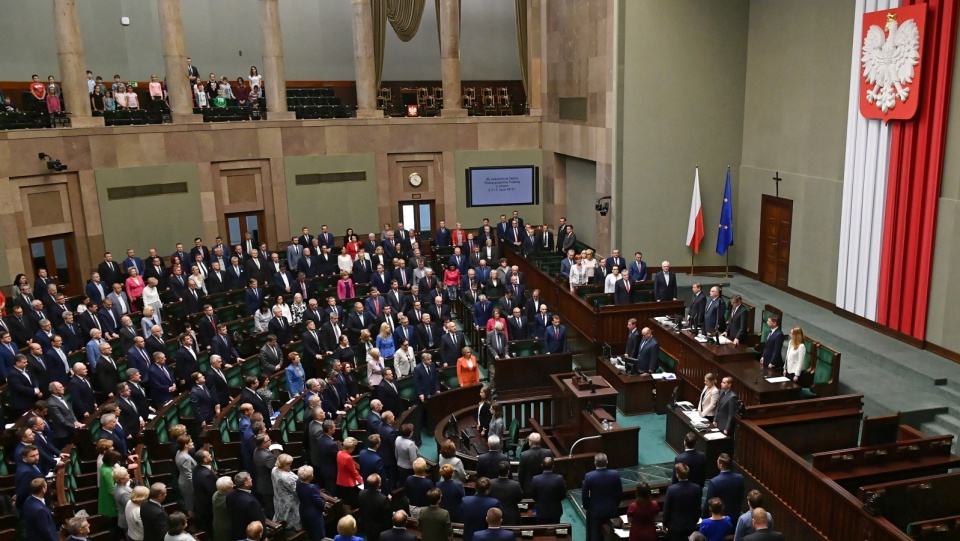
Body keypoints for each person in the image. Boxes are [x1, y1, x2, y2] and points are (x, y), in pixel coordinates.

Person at [582, 453, 623, 541]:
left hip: (595, 509)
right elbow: (619, 491)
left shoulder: (589, 476)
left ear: (595, 463)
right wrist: (617, 504)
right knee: (612, 532)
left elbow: (584, 494)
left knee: (595, 532)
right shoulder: (615, 474)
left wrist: (587, 506)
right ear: (607, 462)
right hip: (611, 508)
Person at [663, 463, 701, 541]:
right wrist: (695, 521)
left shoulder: (671, 489)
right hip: (691, 526)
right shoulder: (696, 488)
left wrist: (664, 523)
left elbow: (667, 509)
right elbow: (698, 507)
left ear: (677, 475)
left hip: (675, 528)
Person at [703, 453, 744, 519]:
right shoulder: (740, 478)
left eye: (717, 462)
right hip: (735, 516)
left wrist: (703, 517)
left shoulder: (714, 482)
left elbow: (709, 502)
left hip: (720, 517)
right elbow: (741, 497)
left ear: (721, 465)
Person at [460, 477, 503, 541]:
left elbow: (461, 515)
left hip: (469, 536)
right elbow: (500, 517)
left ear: (475, 488)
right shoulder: (494, 502)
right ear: (487, 491)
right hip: (487, 537)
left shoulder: (465, 500)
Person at [296, 466, 327, 541]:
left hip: (303, 510)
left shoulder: (298, 483)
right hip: (314, 514)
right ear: (310, 477)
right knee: (319, 535)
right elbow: (319, 502)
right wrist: (324, 505)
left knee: (310, 533)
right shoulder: (312, 487)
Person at [272, 453, 301, 531]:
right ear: (285, 465)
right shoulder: (287, 478)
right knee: (291, 521)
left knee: (282, 516)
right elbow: (297, 491)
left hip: (279, 499)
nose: (291, 465)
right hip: (290, 503)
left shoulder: (274, 469)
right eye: (289, 464)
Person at [489, 460, 523, 526]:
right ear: (508, 471)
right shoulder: (515, 484)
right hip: (511, 516)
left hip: (495, 516)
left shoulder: (491, 483)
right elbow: (520, 498)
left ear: (497, 470)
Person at [336, 437, 364, 506]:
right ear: (350, 448)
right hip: (349, 483)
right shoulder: (348, 458)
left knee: (345, 500)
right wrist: (361, 481)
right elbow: (354, 471)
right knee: (353, 502)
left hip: (340, 480)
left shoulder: (339, 453)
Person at [175, 435, 197, 513]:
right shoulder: (185, 458)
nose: (193, 443)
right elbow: (188, 475)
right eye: (190, 442)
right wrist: (194, 488)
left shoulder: (179, 452)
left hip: (182, 480)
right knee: (190, 505)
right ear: (186, 445)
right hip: (187, 485)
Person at [114, 467, 134, 536]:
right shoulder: (123, 493)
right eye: (126, 474)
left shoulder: (117, 485)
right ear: (122, 479)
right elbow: (131, 507)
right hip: (127, 520)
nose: (129, 475)